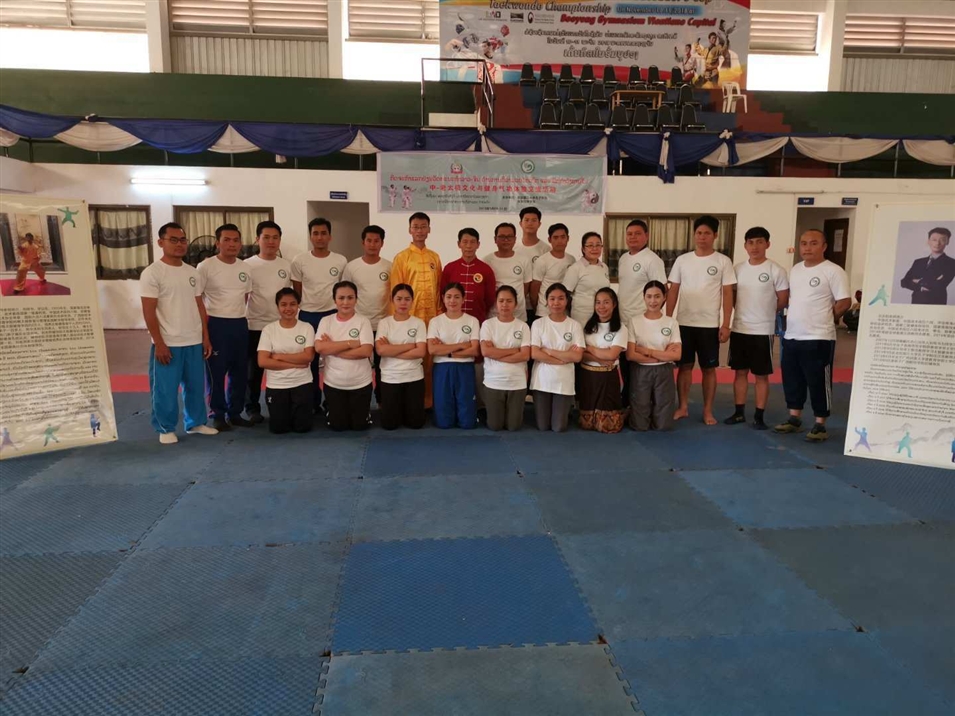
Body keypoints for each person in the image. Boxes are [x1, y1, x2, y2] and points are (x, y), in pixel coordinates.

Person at [140, 222, 217, 445]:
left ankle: (196, 423)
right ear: (160, 242)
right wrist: (159, 342)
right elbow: (148, 311)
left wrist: (205, 336)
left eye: (182, 240)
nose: (179, 244)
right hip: (168, 342)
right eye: (173, 240)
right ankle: (165, 427)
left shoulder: (192, 272)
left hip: (193, 339)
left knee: (195, 386)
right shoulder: (152, 273)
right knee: (165, 389)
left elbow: (199, 305)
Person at [774, 230, 851, 442]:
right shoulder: (796, 270)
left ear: (824, 246)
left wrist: (826, 318)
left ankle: (820, 423)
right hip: (792, 335)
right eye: (804, 243)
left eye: (813, 243)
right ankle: (794, 418)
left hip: (819, 337)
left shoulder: (833, 271)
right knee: (793, 379)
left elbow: (844, 301)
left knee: (818, 381)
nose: (807, 247)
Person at [666, 215, 736, 425]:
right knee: (684, 367)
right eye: (698, 233)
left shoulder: (723, 261)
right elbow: (673, 291)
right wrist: (667, 321)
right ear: (694, 234)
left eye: (706, 233)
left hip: (709, 325)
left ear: (715, 235)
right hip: (684, 323)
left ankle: (707, 411)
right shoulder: (683, 260)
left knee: (708, 369)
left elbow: (727, 294)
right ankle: (683, 407)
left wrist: (726, 324)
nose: (702, 237)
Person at [724, 227, 789, 430]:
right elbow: (732, 297)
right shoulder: (737, 269)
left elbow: (783, 300)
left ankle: (759, 416)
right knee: (740, 372)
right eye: (751, 242)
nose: (755, 247)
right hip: (740, 328)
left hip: (762, 330)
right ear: (745, 245)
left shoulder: (776, 270)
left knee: (761, 375)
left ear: (767, 244)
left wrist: (766, 313)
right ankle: (739, 412)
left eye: (759, 242)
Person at [198, 223, 253, 431]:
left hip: (239, 323)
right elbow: (197, 299)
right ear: (217, 243)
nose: (232, 244)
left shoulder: (245, 268)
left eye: (236, 240)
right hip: (216, 323)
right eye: (227, 240)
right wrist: (205, 332)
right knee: (216, 371)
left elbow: (244, 297)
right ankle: (217, 413)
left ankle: (235, 412)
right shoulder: (206, 267)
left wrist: (236, 316)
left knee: (240, 371)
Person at [291, 218, 347, 412]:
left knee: (334, 359)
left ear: (330, 236)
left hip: (332, 315)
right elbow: (297, 291)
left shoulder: (340, 260)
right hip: (308, 315)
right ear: (310, 236)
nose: (319, 237)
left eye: (323, 233)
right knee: (310, 361)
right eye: (315, 233)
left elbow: (342, 290)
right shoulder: (299, 260)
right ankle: (312, 402)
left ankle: (332, 401)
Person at [390, 212, 443, 407]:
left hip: (432, 318)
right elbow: (396, 290)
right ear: (409, 230)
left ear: (429, 229)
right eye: (416, 227)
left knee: (431, 361)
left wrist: (440, 316)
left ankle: (429, 401)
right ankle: (410, 402)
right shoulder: (402, 258)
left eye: (423, 227)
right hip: (410, 319)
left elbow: (439, 289)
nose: (419, 230)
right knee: (411, 360)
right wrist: (398, 320)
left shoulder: (434, 257)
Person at [244, 220, 291, 424]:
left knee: (283, 366)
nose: (271, 242)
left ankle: (284, 403)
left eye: (275, 238)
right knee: (253, 371)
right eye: (266, 237)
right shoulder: (247, 265)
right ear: (257, 239)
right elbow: (243, 296)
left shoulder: (286, 265)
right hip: (255, 325)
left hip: (280, 326)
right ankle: (252, 407)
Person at [617, 219, 667, 408]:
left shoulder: (652, 260)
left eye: (637, 233)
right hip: (624, 321)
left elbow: (661, 291)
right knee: (625, 364)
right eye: (629, 234)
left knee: (641, 368)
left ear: (646, 236)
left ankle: (644, 406)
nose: (633, 237)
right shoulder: (623, 258)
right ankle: (628, 403)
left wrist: (653, 319)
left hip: (642, 322)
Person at [314, 281, 374, 432]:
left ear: (356, 299)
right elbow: (319, 347)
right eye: (341, 298)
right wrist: (349, 343)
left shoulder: (363, 321)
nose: (345, 302)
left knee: (359, 426)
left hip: (360, 383)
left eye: (350, 298)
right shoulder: (326, 321)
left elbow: (366, 351)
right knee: (338, 426)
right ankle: (330, 408)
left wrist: (332, 348)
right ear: (334, 300)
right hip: (334, 383)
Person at [343, 225, 393, 404]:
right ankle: (357, 401)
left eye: (376, 241)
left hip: (383, 323)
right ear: (363, 242)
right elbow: (345, 294)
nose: (372, 244)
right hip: (359, 324)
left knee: (382, 366)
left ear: (382, 243)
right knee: (357, 363)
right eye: (369, 240)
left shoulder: (389, 266)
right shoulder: (352, 267)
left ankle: (382, 401)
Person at [256, 288, 315, 434]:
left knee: (302, 428)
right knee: (279, 429)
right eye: (283, 304)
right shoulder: (269, 330)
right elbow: (263, 362)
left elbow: (308, 357)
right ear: (277, 307)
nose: (288, 308)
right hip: (277, 385)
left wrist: (279, 356)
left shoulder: (307, 327)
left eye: (292, 304)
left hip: (302, 383)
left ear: (298, 305)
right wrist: (296, 363)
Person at [628, 281, 682, 431]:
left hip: (664, 371)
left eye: (657, 296)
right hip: (641, 370)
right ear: (643, 297)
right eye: (649, 296)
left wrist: (647, 351)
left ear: (664, 297)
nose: (653, 301)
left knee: (663, 425)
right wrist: (663, 355)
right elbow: (631, 355)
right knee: (639, 424)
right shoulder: (634, 321)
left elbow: (677, 355)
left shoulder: (671, 323)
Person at [530, 283, 584, 432]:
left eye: (561, 298)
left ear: (567, 301)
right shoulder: (538, 324)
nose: (556, 303)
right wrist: (564, 358)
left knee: (558, 427)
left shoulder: (574, 325)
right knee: (543, 426)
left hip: (563, 381)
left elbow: (577, 356)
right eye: (552, 298)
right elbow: (534, 353)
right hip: (542, 380)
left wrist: (548, 351)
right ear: (546, 301)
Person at [428, 283, 480, 429]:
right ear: (443, 298)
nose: (452, 301)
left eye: (457, 297)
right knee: (443, 423)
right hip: (442, 368)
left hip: (465, 368)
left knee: (468, 423)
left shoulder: (472, 321)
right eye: (449, 297)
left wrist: (445, 349)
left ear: (463, 299)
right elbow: (432, 349)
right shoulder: (435, 322)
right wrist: (461, 345)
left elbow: (474, 350)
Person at [376, 284, 427, 430]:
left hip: (413, 377)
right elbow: (381, 350)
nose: (403, 303)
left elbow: (421, 352)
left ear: (412, 301)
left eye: (407, 299)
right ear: (392, 300)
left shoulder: (418, 323)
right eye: (399, 299)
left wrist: (391, 349)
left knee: (416, 424)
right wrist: (410, 346)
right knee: (389, 425)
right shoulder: (384, 323)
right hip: (390, 377)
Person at [480, 285, 531, 431]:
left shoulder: (523, 326)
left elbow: (525, 355)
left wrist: (496, 353)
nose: (505, 305)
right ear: (496, 303)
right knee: (495, 426)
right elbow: (486, 352)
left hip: (517, 382)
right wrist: (515, 350)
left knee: (513, 427)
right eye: (501, 301)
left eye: (509, 301)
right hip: (493, 382)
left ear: (516, 304)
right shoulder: (488, 325)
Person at [578, 288, 628, 433]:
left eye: (606, 302)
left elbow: (612, 354)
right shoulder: (587, 326)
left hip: (608, 376)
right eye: (598, 302)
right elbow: (579, 354)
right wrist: (599, 357)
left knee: (609, 426)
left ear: (614, 304)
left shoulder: (621, 328)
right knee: (587, 424)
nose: (601, 306)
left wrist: (589, 348)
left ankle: (626, 413)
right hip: (588, 375)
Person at [441, 228, 496, 323]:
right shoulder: (449, 268)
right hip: (452, 321)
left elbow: (490, 299)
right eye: (465, 242)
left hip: (478, 320)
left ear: (478, 244)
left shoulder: (486, 269)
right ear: (459, 244)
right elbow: (442, 295)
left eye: (472, 242)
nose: (469, 246)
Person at [483, 222, 532, 323]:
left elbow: (526, 286)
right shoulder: (487, 261)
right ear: (495, 239)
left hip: (518, 315)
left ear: (515, 239)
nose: (506, 240)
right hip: (494, 314)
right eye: (502, 237)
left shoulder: (524, 260)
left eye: (509, 236)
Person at [530, 223, 577, 322]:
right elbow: (534, 290)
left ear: (568, 238)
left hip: (564, 312)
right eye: (555, 238)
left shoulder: (571, 260)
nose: (559, 241)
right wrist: (538, 308)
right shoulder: (542, 261)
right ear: (549, 239)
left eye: (563, 237)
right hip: (544, 312)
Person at [563, 232, 610, 326]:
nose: (595, 248)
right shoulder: (575, 268)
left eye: (598, 245)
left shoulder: (604, 267)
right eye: (590, 245)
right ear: (583, 249)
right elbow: (565, 295)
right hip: (582, 316)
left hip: (601, 315)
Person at [900, 227, 954, 306]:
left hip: (936, 305)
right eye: (934, 240)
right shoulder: (918, 262)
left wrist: (917, 281)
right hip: (915, 304)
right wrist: (921, 286)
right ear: (928, 241)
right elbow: (904, 282)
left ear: (947, 242)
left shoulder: (951, 263)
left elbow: (939, 285)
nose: (937, 243)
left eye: (942, 240)